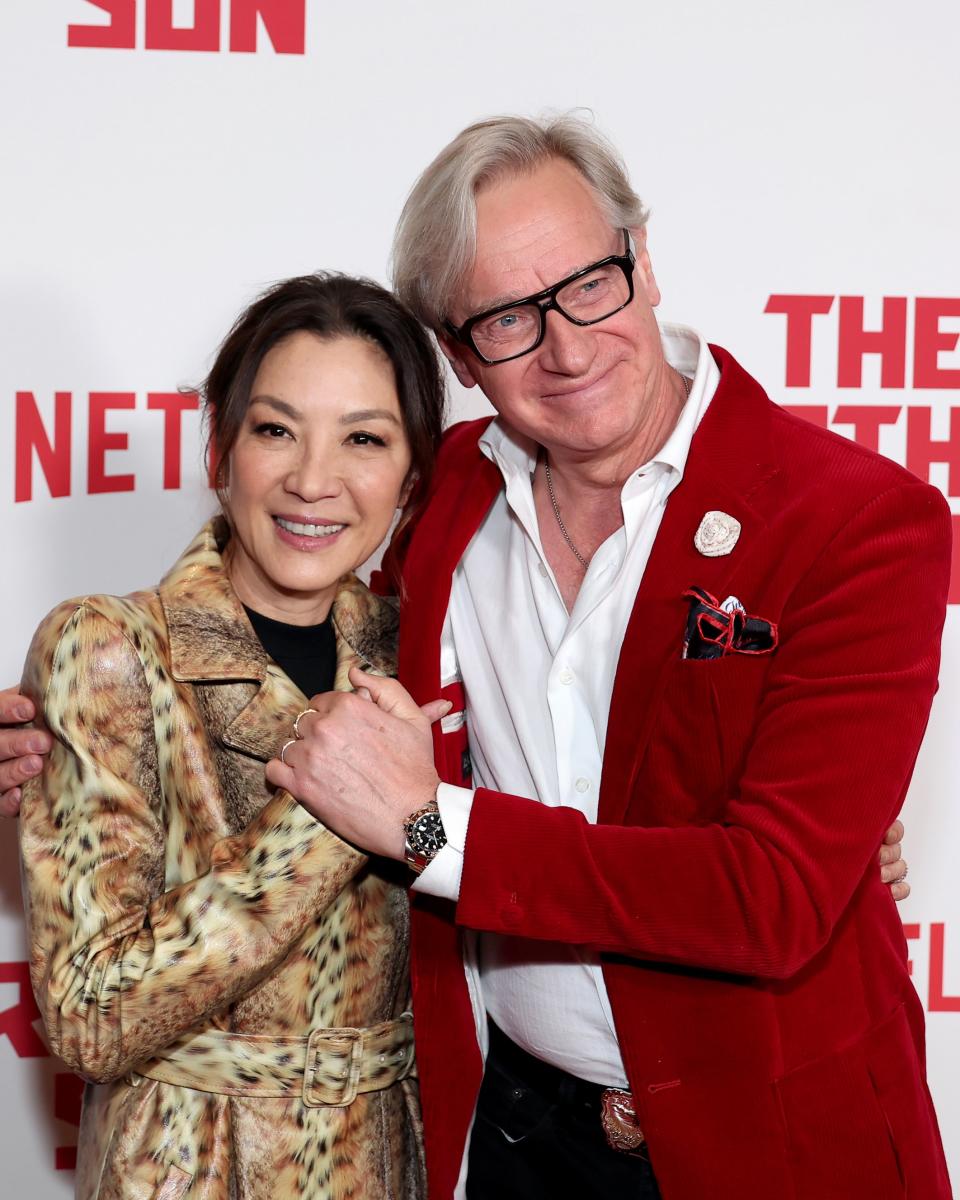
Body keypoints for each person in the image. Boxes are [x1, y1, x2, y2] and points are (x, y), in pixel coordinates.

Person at [265, 117, 952, 1200]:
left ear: (644, 259)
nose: (569, 348)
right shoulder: (441, 488)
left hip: (770, 1146)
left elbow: (770, 896)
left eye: (590, 283)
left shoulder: (859, 521)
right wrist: (82, 714)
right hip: (509, 1132)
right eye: (506, 318)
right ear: (455, 352)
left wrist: (431, 831)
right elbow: (280, 605)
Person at [16, 273, 446, 1200]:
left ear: (411, 482)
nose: (313, 480)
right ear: (221, 446)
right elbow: (90, 1015)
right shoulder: (109, 647)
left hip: (390, 1164)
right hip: (181, 1170)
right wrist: (336, 811)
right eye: (276, 429)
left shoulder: (434, 650)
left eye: (364, 439)